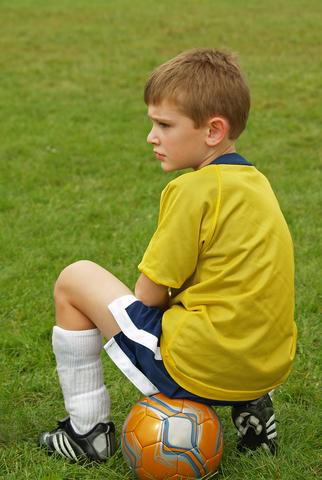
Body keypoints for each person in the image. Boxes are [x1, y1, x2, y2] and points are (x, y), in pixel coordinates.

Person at [39, 48, 297, 462]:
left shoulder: (190, 190)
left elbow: (150, 295)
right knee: (236, 298)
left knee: (75, 278)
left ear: (212, 131)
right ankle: (251, 407)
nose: (151, 136)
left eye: (164, 124)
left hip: (197, 369)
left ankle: (86, 434)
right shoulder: (258, 185)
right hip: (265, 366)